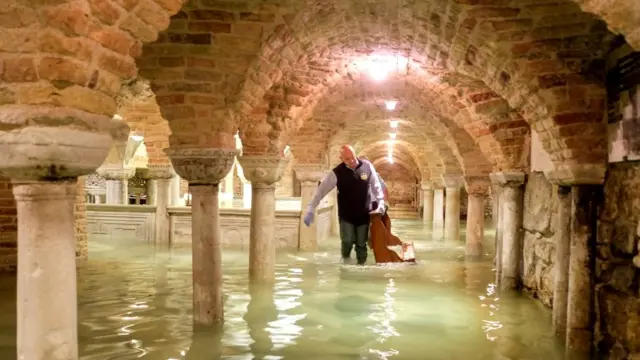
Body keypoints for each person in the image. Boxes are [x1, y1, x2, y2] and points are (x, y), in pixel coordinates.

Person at [303, 145, 386, 265]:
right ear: (341, 158)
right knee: (347, 240)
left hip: (363, 214)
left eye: (352, 157)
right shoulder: (337, 173)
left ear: (355, 154)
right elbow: (321, 190)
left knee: (361, 244)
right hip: (346, 215)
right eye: (347, 159)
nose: (351, 161)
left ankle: (361, 267)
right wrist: (311, 207)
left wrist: (381, 203)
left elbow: (376, 186)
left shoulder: (367, 167)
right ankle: (345, 262)